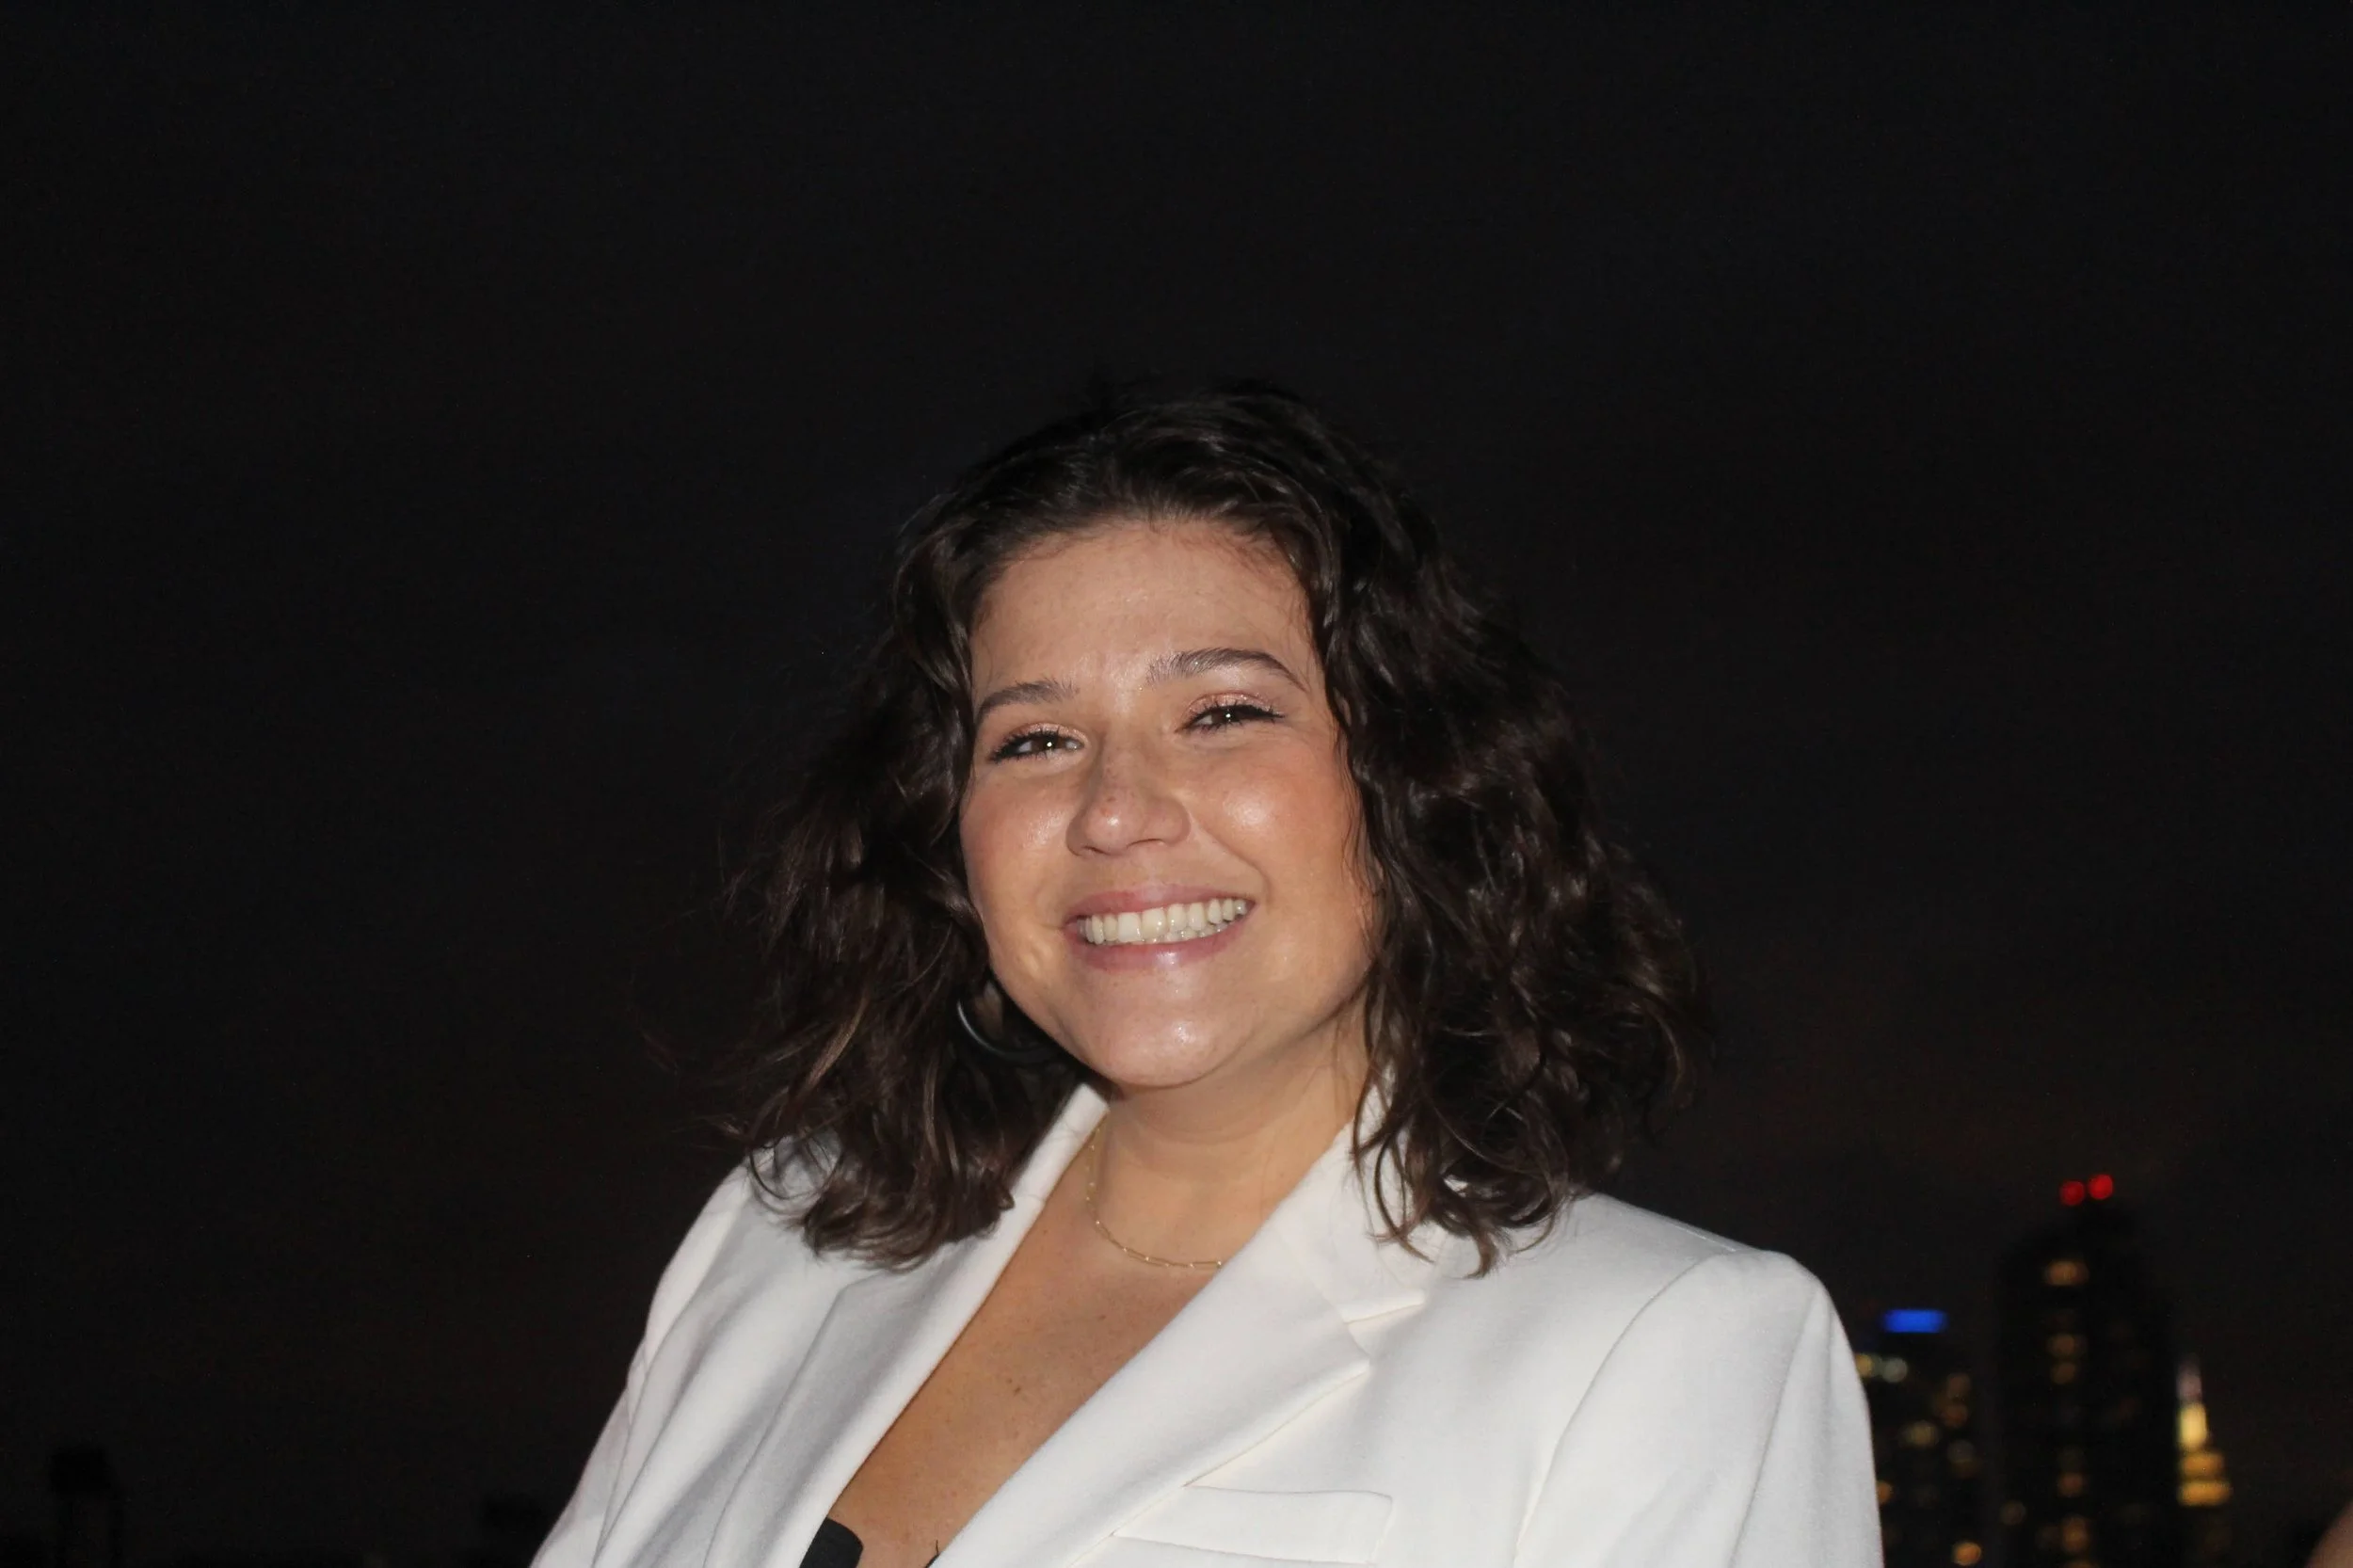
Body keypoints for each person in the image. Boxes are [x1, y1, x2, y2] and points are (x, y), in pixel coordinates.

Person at [534, 386, 1881, 1568]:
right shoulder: (779, 1241)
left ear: (1413, 780)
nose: (1117, 808)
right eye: (1037, 736)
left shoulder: (1664, 1353)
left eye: (1224, 712)